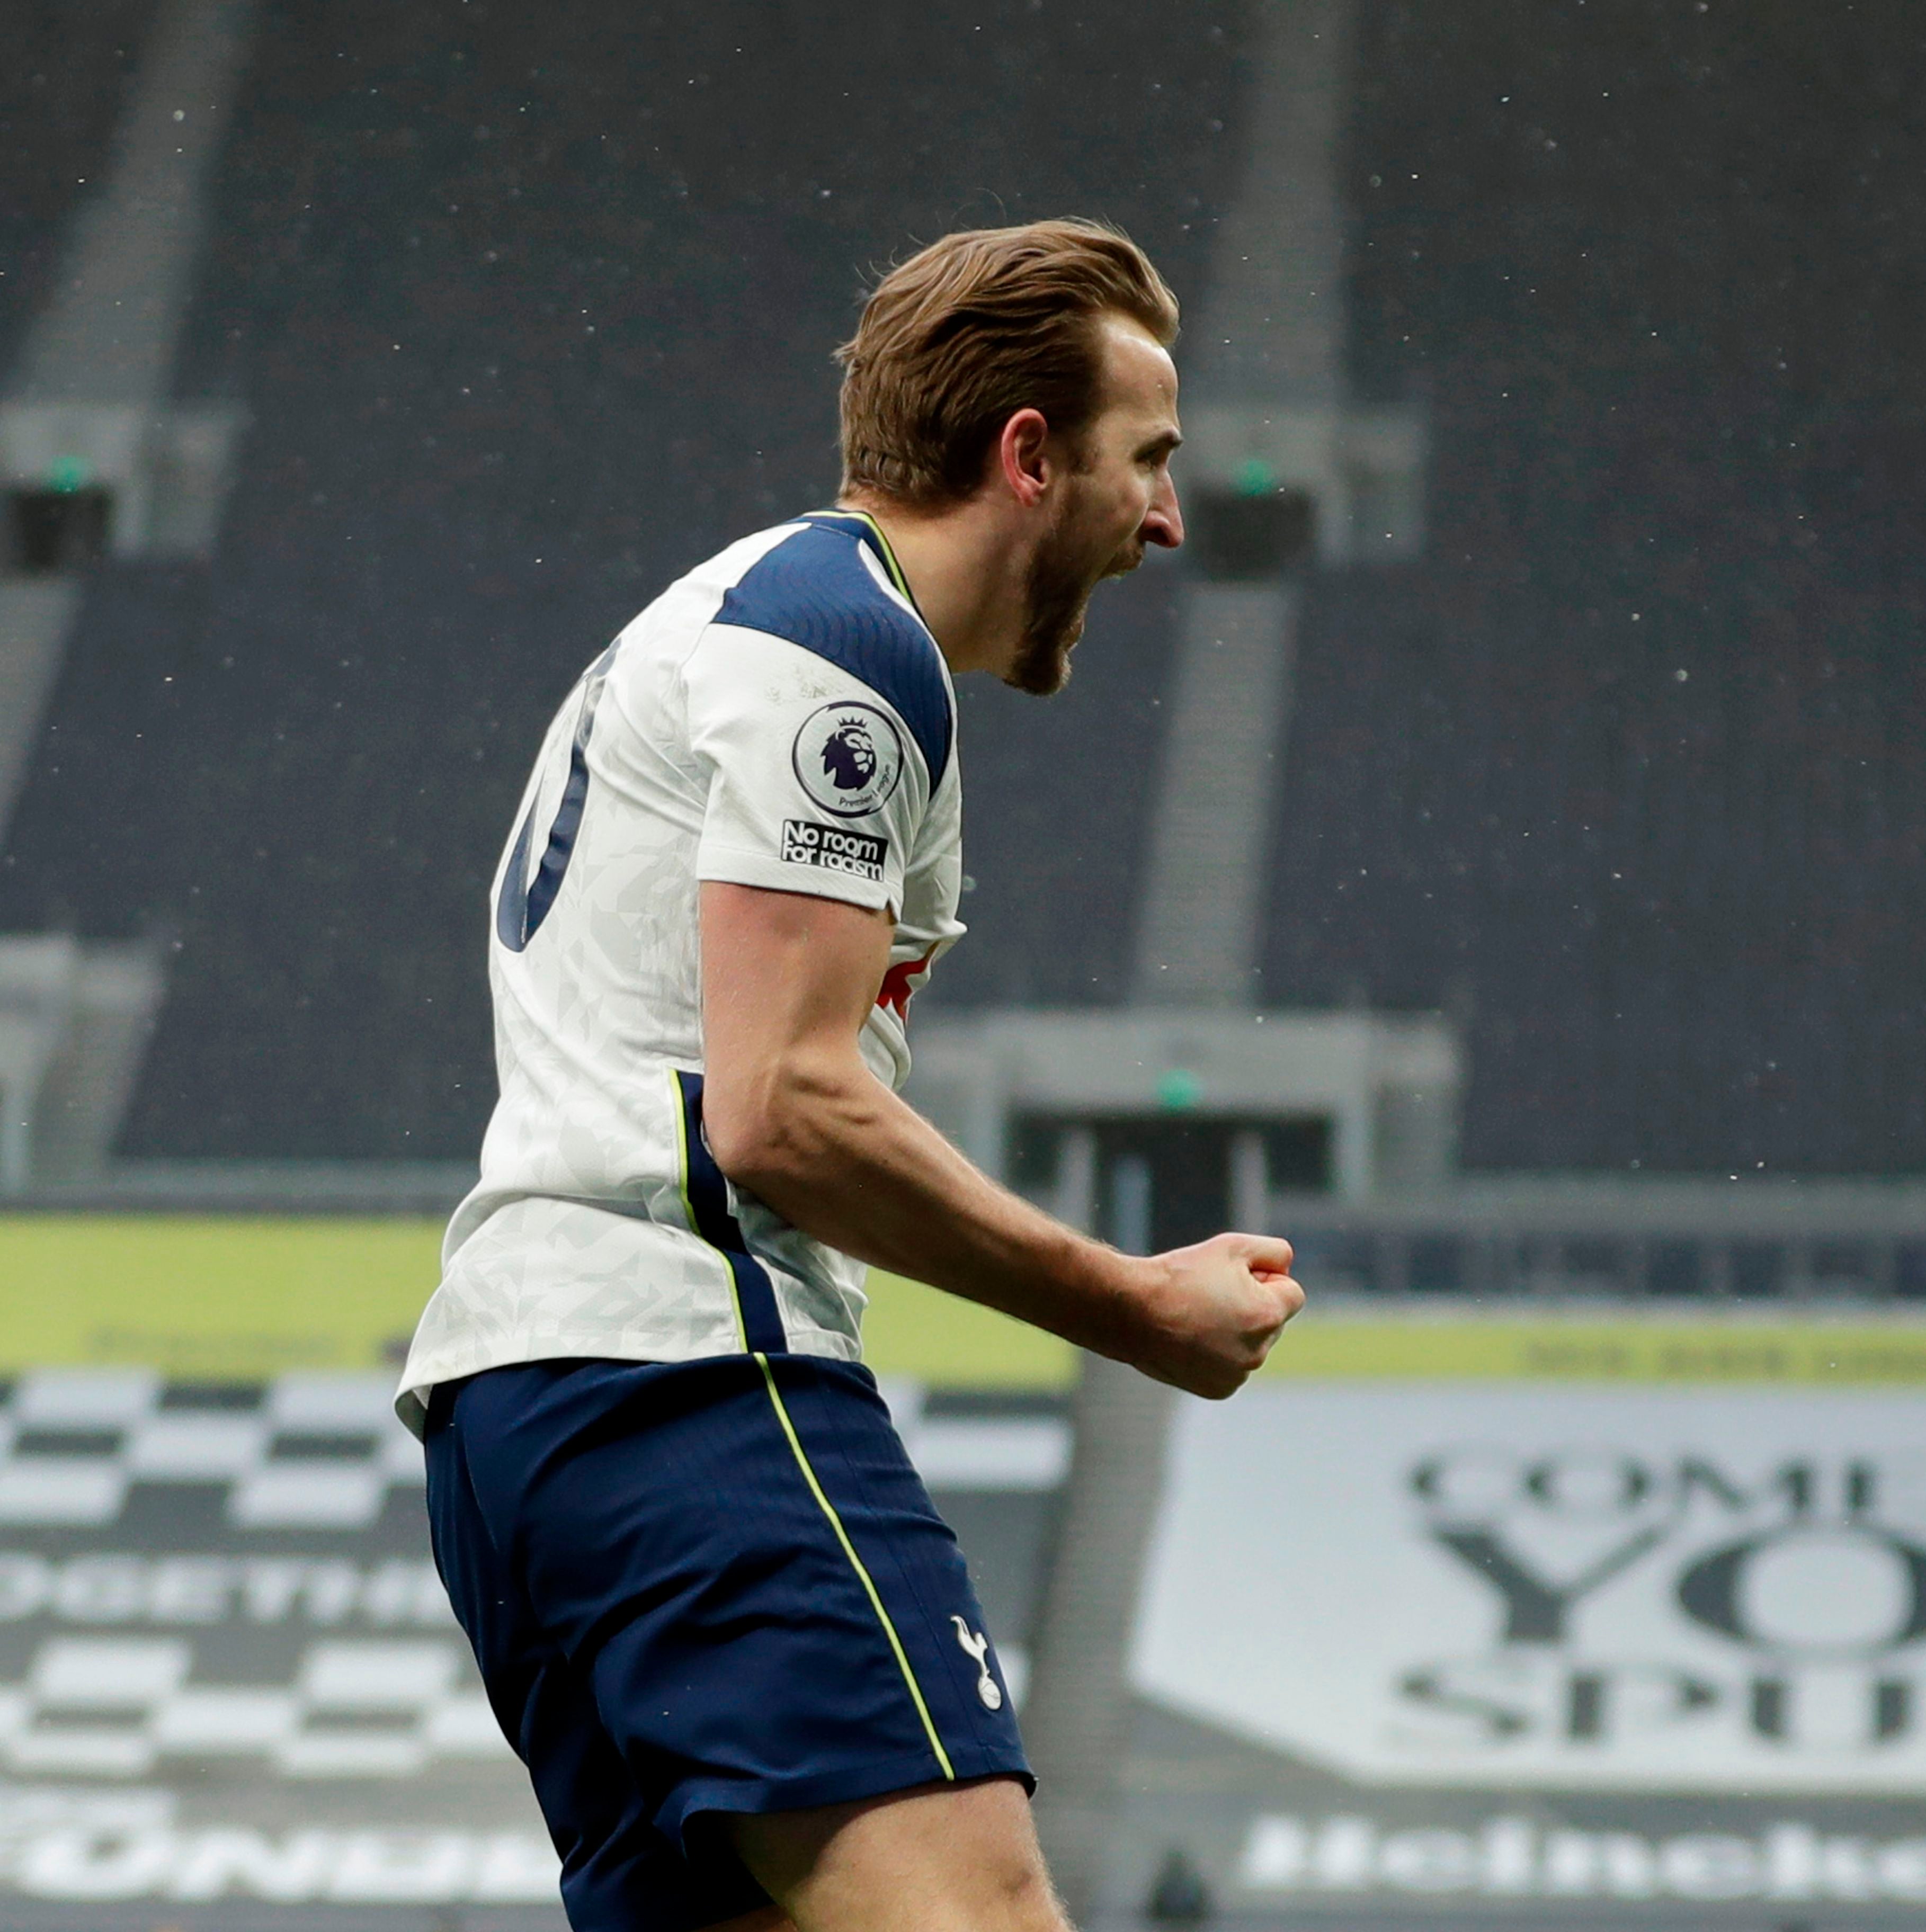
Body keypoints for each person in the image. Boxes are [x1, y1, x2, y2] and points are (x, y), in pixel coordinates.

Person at [396, 219, 1305, 1932]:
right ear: (1029, 457)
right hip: (683, 1386)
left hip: (520, 1413)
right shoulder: (842, 651)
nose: (1170, 519)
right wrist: (1133, 1305)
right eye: (1151, 460)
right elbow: (783, 1110)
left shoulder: (736, 615)